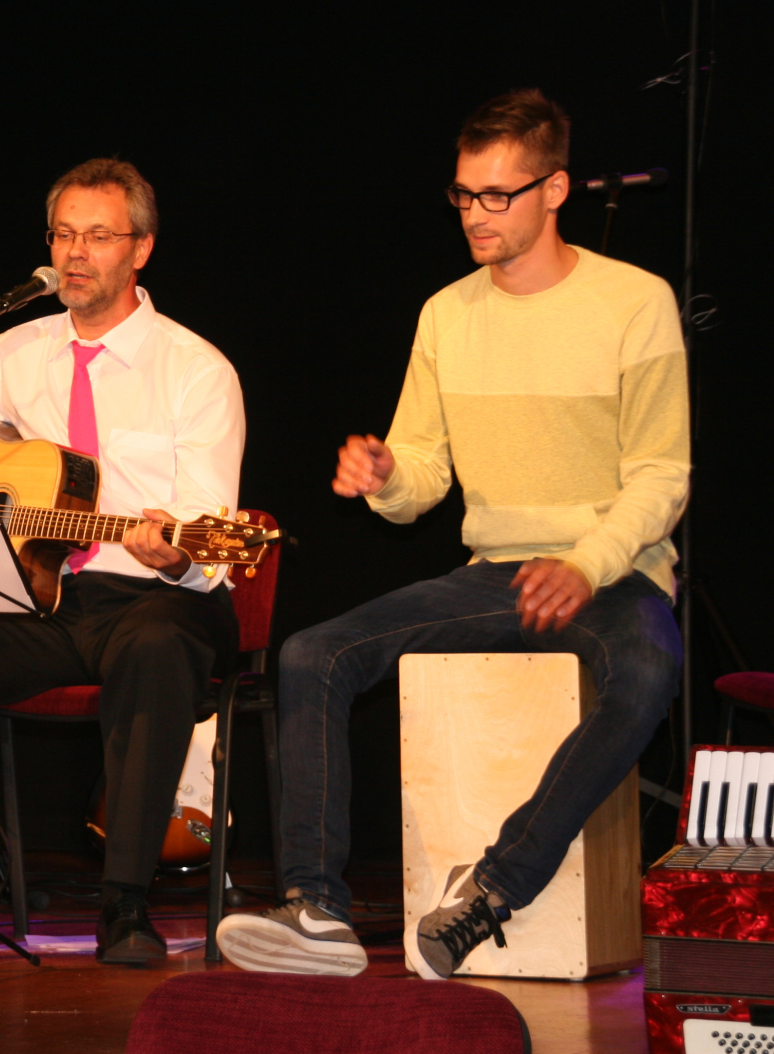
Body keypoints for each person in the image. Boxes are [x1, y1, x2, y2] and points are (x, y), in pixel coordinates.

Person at [215, 89, 687, 979]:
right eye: (464, 194)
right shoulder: (447, 313)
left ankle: (493, 889)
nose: (475, 214)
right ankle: (315, 908)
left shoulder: (635, 302)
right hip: (494, 570)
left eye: (497, 195)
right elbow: (425, 472)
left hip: (612, 571)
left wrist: (586, 564)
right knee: (314, 653)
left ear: (555, 190)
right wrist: (387, 477)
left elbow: (663, 476)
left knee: (649, 669)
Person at [0, 158, 245, 964]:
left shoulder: (197, 370)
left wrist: (175, 552)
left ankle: (126, 904)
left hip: (159, 596)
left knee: (156, 644)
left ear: (141, 249)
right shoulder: (22, 350)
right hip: (48, 597)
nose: (75, 253)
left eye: (97, 236)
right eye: (64, 235)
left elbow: (208, 540)